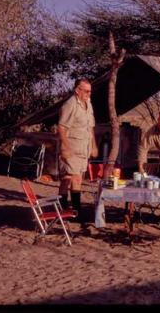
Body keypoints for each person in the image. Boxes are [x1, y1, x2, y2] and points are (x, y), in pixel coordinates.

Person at [57, 78, 98, 222]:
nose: (89, 93)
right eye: (86, 91)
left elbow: (90, 127)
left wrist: (94, 145)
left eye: (90, 91)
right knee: (72, 179)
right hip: (71, 148)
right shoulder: (70, 105)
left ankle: (70, 209)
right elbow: (61, 128)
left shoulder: (88, 104)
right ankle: (73, 211)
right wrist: (66, 148)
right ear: (77, 90)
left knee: (74, 179)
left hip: (83, 149)